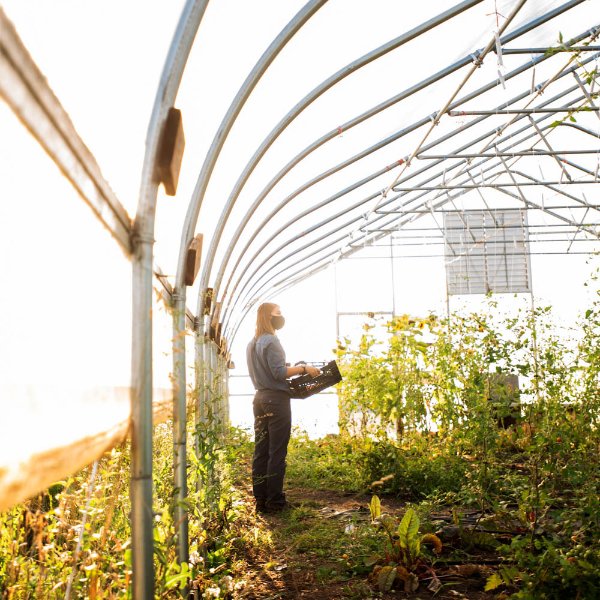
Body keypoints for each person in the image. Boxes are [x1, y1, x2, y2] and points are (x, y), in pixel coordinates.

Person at [246, 302, 320, 513]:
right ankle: (276, 502)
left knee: (261, 452)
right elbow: (278, 373)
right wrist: (304, 368)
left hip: (259, 399)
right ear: (268, 317)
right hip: (276, 401)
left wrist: (290, 367)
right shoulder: (272, 341)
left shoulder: (252, 343)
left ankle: (260, 501)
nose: (281, 316)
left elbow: (269, 371)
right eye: (278, 313)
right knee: (276, 452)